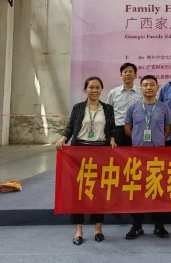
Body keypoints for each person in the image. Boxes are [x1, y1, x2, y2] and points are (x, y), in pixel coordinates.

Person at [56, 76, 116, 246]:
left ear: (101, 89)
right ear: (85, 89)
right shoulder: (78, 107)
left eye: (97, 87)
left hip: (100, 152)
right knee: (78, 192)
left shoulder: (108, 109)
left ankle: (98, 229)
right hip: (79, 153)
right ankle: (78, 230)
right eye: (91, 87)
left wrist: (112, 138)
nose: (94, 90)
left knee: (99, 191)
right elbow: (70, 127)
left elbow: (112, 128)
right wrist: (63, 138)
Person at [123, 75, 171, 240]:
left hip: (158, 156)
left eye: (152, 85)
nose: (149, 88)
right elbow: (127, 129)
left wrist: (158, 142)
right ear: (141, 88)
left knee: (159, 191)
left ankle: (159, 225)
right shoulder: (133, 108)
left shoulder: (164, 108)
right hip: (138, 156)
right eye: (145, 85)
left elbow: (167, 129)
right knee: (137, 191)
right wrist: (138, 140)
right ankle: (137, 225)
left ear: (157, 87)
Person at [107, 62, 141, 146]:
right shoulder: (113, 93)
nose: (128, 74)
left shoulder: (141, 92)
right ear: (121, 75)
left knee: (137, 153)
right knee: (119, 154)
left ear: (135, 75)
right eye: (125, 72)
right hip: (118, 130)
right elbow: (108, 114)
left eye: (130, 71)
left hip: (137, 128)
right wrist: (111, 135)